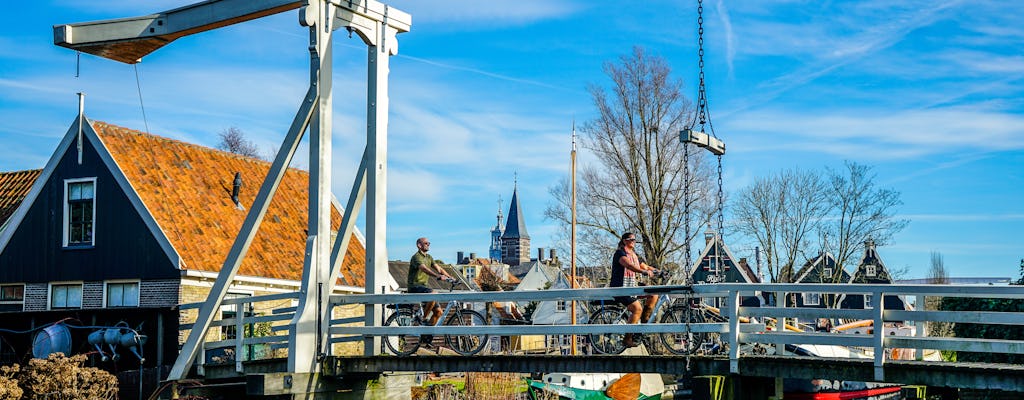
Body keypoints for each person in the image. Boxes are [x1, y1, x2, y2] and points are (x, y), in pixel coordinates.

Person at [610, 232, 658, 347]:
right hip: (621, 288)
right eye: (630, 239)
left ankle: (642, 326)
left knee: (653, 294)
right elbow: (629, 265)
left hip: (632, 286)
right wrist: (644, 272)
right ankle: (627, 338)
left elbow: (645, 266)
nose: (633, 241)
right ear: (624, 241)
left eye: (634, 239)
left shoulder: (634, 255)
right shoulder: (620, 253)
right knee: (637, 309)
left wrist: (658, 271)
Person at [409, 237, 454, 345]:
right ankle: (423, 318)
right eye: (426, 243)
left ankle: (426, 336)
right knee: (433, 294)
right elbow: (424, 268)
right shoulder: (416, 257)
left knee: (439, 312)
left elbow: (439, 268)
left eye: (429, 243)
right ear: (419, 245)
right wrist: (437, 276)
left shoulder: (429, 257)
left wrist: (451, 278)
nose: (428, 245)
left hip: (424, 287)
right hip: (415, 286)